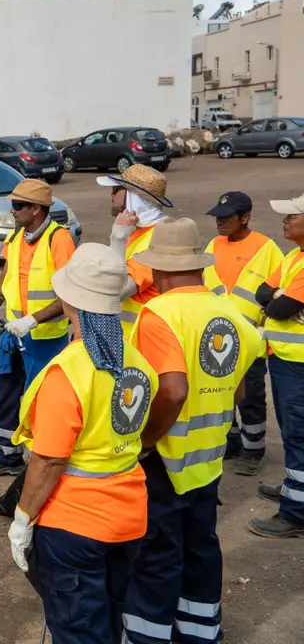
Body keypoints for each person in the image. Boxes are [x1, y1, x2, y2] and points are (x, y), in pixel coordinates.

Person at [7, 243, 158, 644]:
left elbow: (50, 460)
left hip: (74, 526)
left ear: (68, 298)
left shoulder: (69, 370)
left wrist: (23, 518)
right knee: (109, 619)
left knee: (78, 631)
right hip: (128, 518)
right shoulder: (137, 361)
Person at [122, 219, 261, 644]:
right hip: (209, 455)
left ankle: (149, 636)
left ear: (160, 271)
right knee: (201, 546)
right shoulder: (232, 315)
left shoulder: (159, 314)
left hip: (166, 458)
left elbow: (174, 390)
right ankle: (202, 632)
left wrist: (146, 440)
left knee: (158, 553)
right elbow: (237, 390)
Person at [0, 179, 76, 477]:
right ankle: (8, 457)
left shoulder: (59, 240)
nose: (12, 210)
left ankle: (43, 465)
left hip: (45, 340)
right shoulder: (16, 238)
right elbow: (2, 282)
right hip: (12, 338)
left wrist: (33, 320)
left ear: (36, 209)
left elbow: (69, 294)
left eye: (17, 205)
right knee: (4, 394)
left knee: (42, 404)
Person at [203, 191, 284, 475]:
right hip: (217, 339)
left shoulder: (266, 247)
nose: (219, 222)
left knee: (250, 395)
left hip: (250, 340)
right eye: (217, 217)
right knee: (222, 394)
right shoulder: (214, 244)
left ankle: (253, 448)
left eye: (226, 218)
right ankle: (231, 440)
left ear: (245, 217)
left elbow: (277, 290)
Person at [249, 193, 304, 538]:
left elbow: (281, 308)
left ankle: (295, 513)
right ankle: (293, 489)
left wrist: (278, 298)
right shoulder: (295, 257)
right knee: (291, 432)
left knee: (299, 435)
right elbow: (262, 292)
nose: (284, 221)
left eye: (291, 216)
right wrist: (279, 296)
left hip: (298, 365)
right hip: (285, 360)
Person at [96, 164, 173, 339]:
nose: (112, 194)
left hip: (144, 341)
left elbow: (117, 291)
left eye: (116, 189)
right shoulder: (138, 231)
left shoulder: (157, 238)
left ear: (133, 197)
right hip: (130, 338)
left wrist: (118, 238)